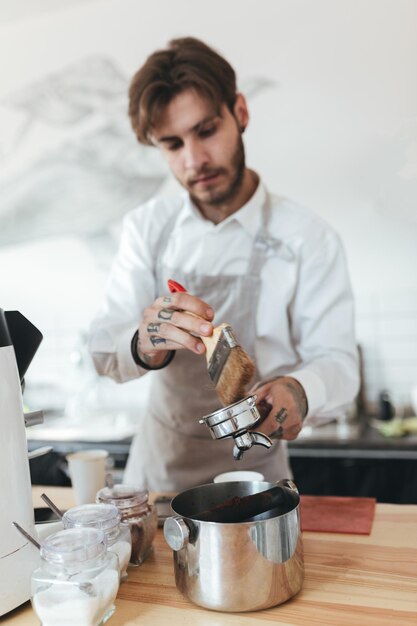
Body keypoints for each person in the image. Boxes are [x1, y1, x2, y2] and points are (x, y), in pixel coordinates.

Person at [89, 37, 359, 491]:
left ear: (241, 112)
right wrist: (144, 343)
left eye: (206, 130)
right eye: (172, 144)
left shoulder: (308, 238)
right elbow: (101, 348)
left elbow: (338, 362)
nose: (194, 160)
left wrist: (301, 388)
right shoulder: (146, 229)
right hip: (159, 478)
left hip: (260, 477)